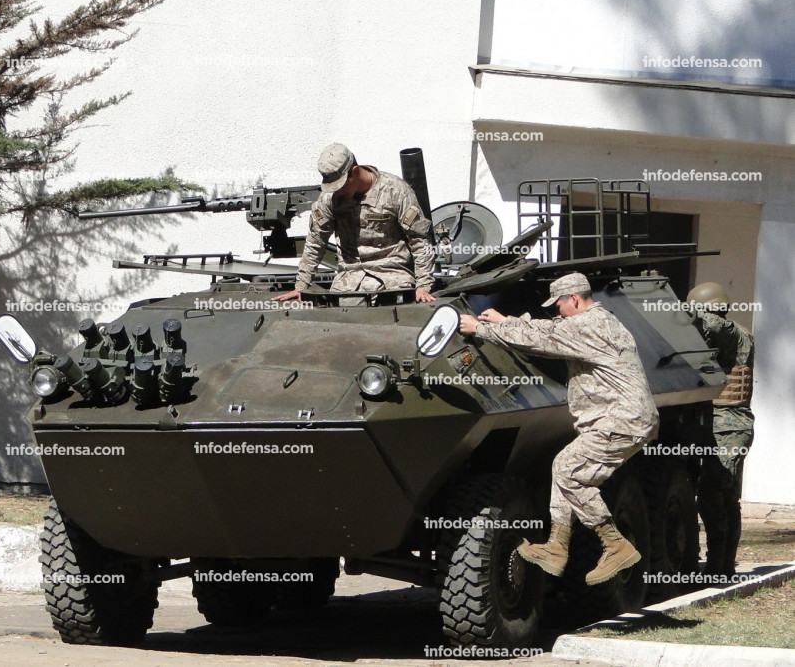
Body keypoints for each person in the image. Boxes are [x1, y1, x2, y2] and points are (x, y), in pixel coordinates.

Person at [458, 272, 659, 585]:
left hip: (621, 419)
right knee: (565, 470)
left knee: (567, 469)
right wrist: (504, 320)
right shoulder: (594, 321)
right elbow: (549, 329)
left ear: (574, 299)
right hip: (619, 419)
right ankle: (557, 546)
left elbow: (543, 339)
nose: (556, 313)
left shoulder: (590, 325)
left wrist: (481, 328)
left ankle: (615, 544)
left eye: (559, 306)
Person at [272, 143, 436, 304]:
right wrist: (301, 285)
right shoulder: (329, 198)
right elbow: (316, 241)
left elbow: (419, 240)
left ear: (355, 172)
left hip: (393, 275)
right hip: (349, 279)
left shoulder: (395, 191)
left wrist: (423, 285)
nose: (338, 191)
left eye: (341, 185)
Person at [687, 282, 755, 578]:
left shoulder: (737, 335)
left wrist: (687, 313)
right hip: (711, 423)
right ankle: (721, 567)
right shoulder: (710, 336)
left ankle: (718, 567)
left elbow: (717, 327)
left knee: (714, 494)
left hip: (731, 426)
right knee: (724, 497)